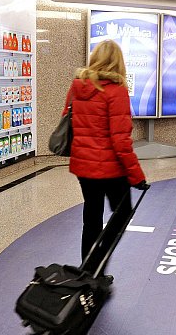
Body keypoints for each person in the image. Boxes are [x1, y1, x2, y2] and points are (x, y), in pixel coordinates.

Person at [63, 39, 148, 280]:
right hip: (111, 169)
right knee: (122, 215)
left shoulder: (78, 86)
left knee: (91, 218)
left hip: (83, 166)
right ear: (118, 61)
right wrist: (136, 176)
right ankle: (98, 267)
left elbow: (68, 120)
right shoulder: (116, 90)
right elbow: (120, 140)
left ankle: (88, 271)